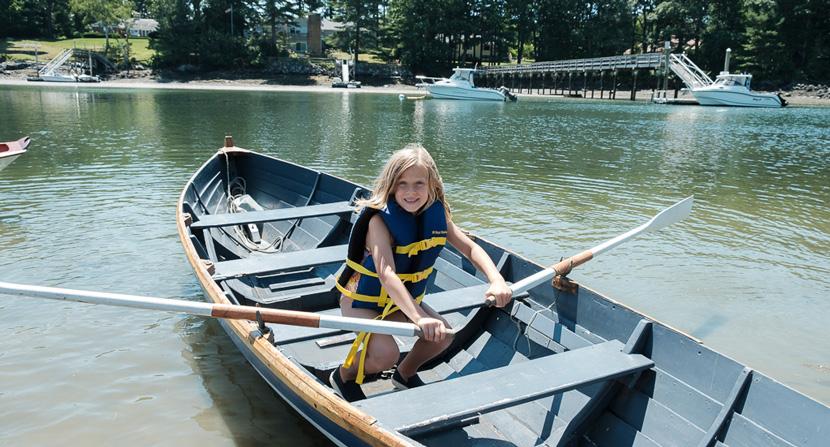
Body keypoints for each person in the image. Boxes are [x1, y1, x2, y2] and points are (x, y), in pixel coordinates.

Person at [329, 144, 513, 402]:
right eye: (402, 184)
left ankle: (404, 374)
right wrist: (418, 317)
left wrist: (496, 279)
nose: (410, 192)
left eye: (419, 184)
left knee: (443, 337)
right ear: (391, 185)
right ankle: (343, 375)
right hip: (362, 301)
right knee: (385, 354)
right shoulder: (378, 221)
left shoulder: (436, 215)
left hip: (398, 302)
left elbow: (470, 248)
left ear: (432, 185)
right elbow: (386, 272)